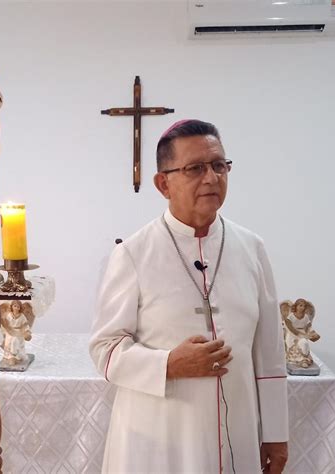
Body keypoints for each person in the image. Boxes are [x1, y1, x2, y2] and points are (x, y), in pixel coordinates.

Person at [90, 119, 289, 474]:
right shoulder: (134, 253)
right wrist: (168, 364)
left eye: (219, 165)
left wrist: (275, 433)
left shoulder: (252, 248)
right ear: (163, 183)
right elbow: (105, 349)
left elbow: (269, 352)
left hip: (237, 433)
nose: (211, 177)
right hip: (158, 438)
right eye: (195, 168)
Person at [283, 298, 319, 368]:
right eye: (300, 305)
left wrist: (313, 334)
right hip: (292, 335)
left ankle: (304, 359)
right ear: (296, 306)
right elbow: (290, 328)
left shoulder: (305, 317)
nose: (302, 308)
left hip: (303, 334)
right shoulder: (291, 316)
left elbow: (309, 327)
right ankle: (295, 360)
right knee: (294, 344)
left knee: (304, 343)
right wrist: (300, 335)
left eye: (304, 306)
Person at [1, 301, 32, 365]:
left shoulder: (22, 316)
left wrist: (27, 332)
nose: (16, 308)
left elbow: (25, 325)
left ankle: (18, 357)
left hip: (18, 332)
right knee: (9, 343)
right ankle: (10, 357)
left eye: (18, 307)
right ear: (11, 307)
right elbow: (6, 324)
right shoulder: (9, 315)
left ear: (20, 308)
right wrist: (6, 330)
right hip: (10, 332)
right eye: (14, 306)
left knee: (16, 342)